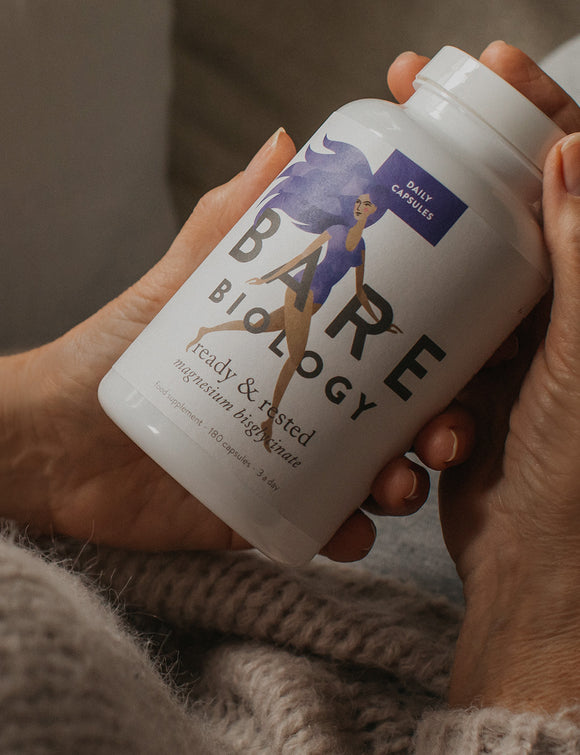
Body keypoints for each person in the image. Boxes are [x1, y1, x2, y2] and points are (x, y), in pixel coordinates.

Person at [0, 40, 579, 750]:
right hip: (440, 631)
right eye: (363, 203)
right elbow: (308, 259)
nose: (365, 205)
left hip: (139, 516)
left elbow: (358, 286)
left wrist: (39, 441)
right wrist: (533, 607)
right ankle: (269, 403)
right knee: (285, 351)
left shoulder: (372, 210)